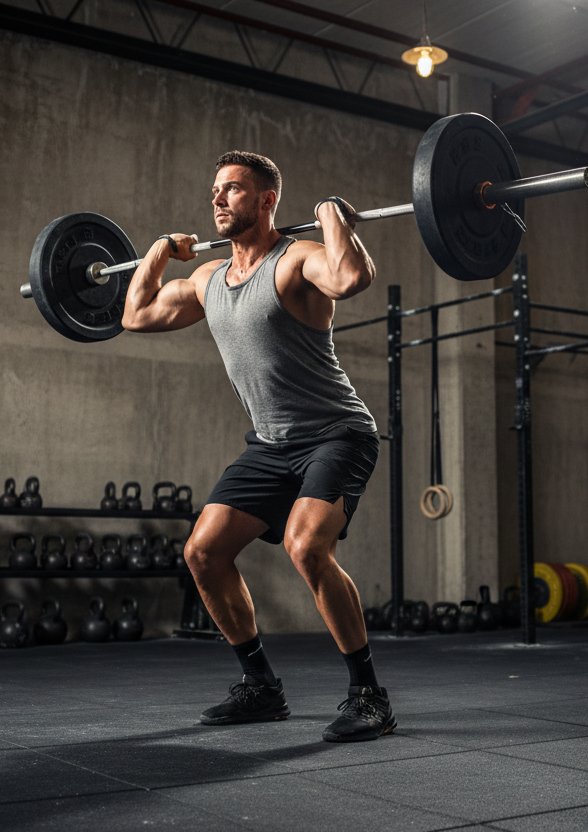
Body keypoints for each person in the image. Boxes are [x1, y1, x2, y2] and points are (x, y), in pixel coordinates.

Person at [121, 151, 393, 743]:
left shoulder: (295, 259)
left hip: (337, 434)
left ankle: (369, 695)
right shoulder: (207, 280)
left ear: (267, 200)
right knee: (202, 554)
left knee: (306, 547)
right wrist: (158, 253)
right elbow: (135, 314)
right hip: (271, 446)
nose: (218, 200)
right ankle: (261, 687)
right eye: (216, 190)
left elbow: (351, 279)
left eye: (234, 190)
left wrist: (330, 216)